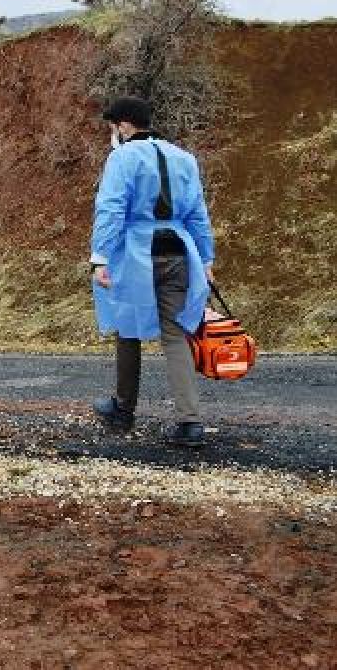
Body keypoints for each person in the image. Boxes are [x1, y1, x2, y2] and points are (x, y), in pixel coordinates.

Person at [89, 96, 216, 447]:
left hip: (136, 253)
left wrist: (100, 257)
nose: (113, 134)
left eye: (113, 127)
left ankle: (123, 409)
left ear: (124, 126)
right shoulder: (184, 158)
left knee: (127, 327)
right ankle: (189, 423)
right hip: (178, 250)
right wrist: (205, 260)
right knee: (176, 334)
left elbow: (111, 208)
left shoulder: (122, 158)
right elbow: (198, 214)